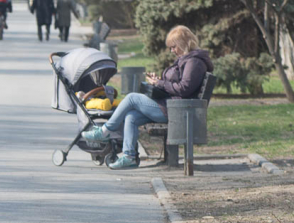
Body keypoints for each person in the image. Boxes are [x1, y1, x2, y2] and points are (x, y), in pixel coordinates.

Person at [81, 25, 213, 169]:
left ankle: (105, 131)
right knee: (131, 116)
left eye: (174, 47)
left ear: (183, 43)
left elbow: (184, 89)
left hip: (178, 111)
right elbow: (178, 84)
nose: (172, 50)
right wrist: (158, 82)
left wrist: (160, 83)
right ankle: (129, 157)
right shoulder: (186, 59)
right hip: (171, 106)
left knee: (132, 98)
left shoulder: (194, 62)